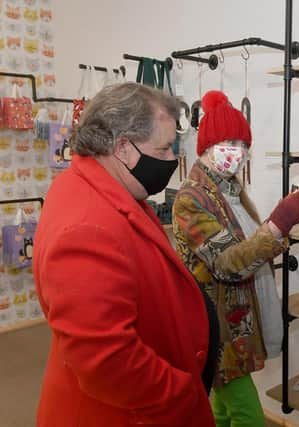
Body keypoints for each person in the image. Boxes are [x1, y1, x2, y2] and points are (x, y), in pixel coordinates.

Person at [32, 82, 215, 427]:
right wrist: (180, 393)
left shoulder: (104, 187)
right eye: (163, 150)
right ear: (123, 149)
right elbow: (107, 362)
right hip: (127, 413)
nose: (171, 161)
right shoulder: (86, 230)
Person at [172, 90, 299, 427]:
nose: (240, 151)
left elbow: (246, 245)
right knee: (249, 416)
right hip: (217, 328)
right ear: (206, 147)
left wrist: (279, 224)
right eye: (231, 141)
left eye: (244, 143)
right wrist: (277, 225)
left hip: (236, 321)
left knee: (222, 408)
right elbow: (227, 263)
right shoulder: (192, 199)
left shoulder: (230, 191)